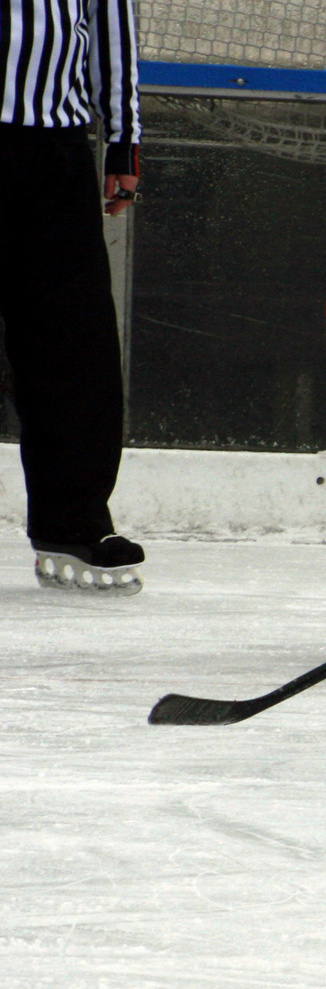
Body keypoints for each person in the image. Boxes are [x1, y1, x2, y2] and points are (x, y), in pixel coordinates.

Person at [1, 0, 145, 592]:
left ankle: (72, 521)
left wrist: (123, 140)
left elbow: (113, 24)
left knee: (73, 339)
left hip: (54, 150)